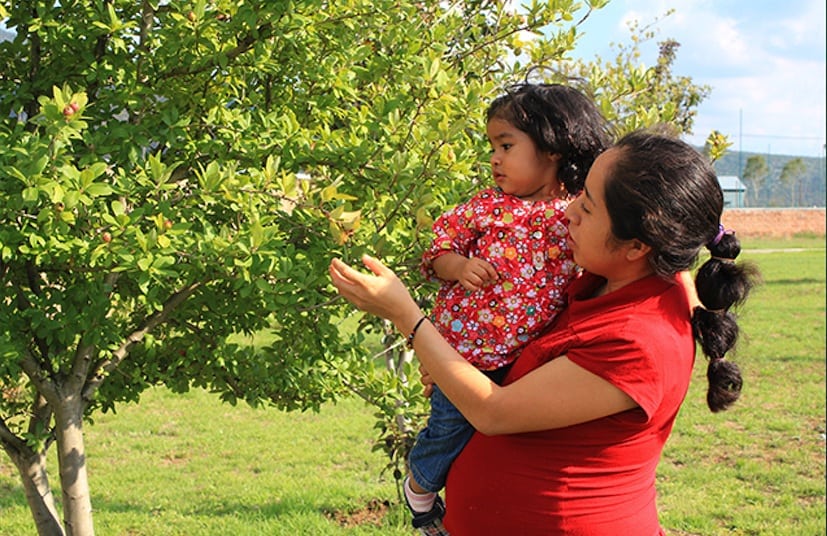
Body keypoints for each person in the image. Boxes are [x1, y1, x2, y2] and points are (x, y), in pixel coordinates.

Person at [329, 129, 759, 535]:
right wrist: (454, 367)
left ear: (637, 246)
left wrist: (407, 316)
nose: (568, 211)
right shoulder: (603, 282)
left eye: (587, 206)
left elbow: (493, 411)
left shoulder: (643, 337)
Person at [406, 83, 611, 533]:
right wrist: (457, 265)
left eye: (506, 145)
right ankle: (420, 487)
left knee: (497, 434)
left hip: (528, 355)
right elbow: (438, 249)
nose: (495, 158)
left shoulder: (575, 212)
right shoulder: (485, 206)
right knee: (448, 428)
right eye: (492, 147)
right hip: (464, 350)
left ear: (553, 147)